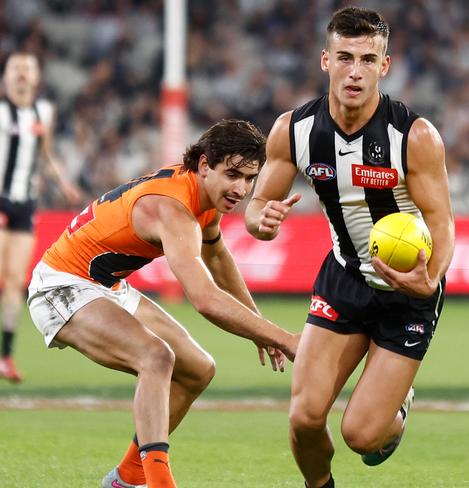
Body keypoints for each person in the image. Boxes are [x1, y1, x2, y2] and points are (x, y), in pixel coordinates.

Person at [245, 7, 454, 488]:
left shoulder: (414, 136)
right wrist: (262, 220)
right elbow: (257, 205)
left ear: (385, 66)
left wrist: (431, 277)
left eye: (366, 59)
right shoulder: (293, 130)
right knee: (303, 417)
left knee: (361, 436)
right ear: (325, 60)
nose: (354, 71)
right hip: (344, 277)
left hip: (409, 292)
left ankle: (396, 405)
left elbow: (443, 222)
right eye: (344, 57)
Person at [27, 119, 299, 488]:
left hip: (106, 285)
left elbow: (217, 257)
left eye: (250, 178)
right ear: (205, 165)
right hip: (61, 284)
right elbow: (204, 299)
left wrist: (258, 327)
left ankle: (126, 477)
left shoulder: (204, 194)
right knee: (156, 357)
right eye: (233, 174)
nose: (242, 188)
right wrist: (284, 337)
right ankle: (159, 482)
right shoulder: (171, 208)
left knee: (199, 368)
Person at [0, 51, 80, 382]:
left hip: (26, 204)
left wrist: (64, 183)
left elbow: (45, 154)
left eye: (27, 68)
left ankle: (5, 356)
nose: (21, 74)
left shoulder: (43, 111)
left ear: (36, 77)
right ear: (5, 76)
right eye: (15, 68)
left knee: (16, 281)